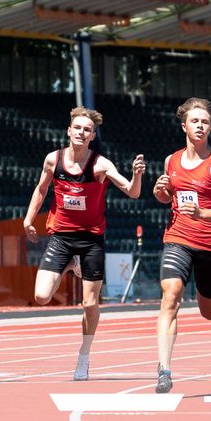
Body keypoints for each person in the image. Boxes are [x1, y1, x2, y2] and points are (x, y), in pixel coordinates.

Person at [21, 106, 145, 380]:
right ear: (69, 131)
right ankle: (70, 265)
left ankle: (84, 355)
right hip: (62, 237)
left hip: (90, 240)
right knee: (41, 296)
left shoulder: (101, 165)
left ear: (92, 135)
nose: (81, 132)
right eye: (77, 127)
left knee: (90, 304)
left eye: (87, 129)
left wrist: (137, 175)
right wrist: (29, 220)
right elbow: (41, 190)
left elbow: (133, 193)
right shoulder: (53, 160)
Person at [150, 98, 211, 393]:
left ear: (210, 127)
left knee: (209, 312)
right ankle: (164, 369)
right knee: (171, 295)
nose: (200, 126)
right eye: (195, 121)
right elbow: (168, 199)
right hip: (178, 238)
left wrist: (203, 214)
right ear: (184, 126)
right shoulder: (170, 161)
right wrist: (159, 192)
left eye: (205, 122)